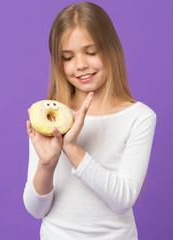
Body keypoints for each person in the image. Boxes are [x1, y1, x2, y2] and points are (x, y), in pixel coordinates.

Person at [23, 2, 156, 239]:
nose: (81, 64)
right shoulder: (49, 118)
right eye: (67, 57)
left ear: (111, 49)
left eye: (91, 52)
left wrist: (71, 148)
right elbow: (36, 209)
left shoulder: (139, 117)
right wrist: (47, 162)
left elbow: (123, 199)